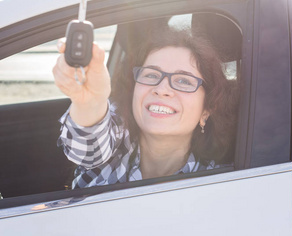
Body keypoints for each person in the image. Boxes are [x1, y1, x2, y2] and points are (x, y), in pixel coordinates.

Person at [53, 24, 238, 189]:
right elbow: (88, 147)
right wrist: (89, 102)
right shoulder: (112, 142)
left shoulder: (220, 183)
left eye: (183, 80)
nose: (161, 89)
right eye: (151, 75)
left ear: (207, 109)